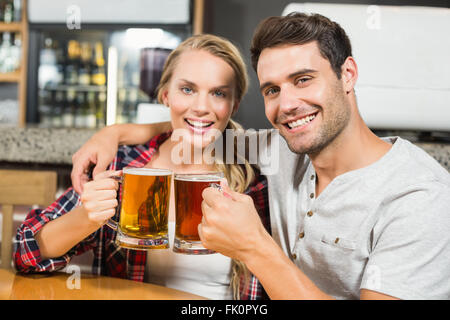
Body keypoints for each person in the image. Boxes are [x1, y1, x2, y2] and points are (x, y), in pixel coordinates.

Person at [71, 13, 450, 300]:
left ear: (347, 74)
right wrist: (115, 133)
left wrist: (254, 246)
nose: (287, 104)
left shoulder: (419, 197)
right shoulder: (282, 149)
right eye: (272, 89)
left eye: (303, 80)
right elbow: (194, 129)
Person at [14, 34, 271, 300]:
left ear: (234, 105)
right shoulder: (126, 166)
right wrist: (85, 219)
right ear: (165, 96)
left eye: (218, 93)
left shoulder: (251, 182)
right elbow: (25, 253)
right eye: (187, 89)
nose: (201, 107)